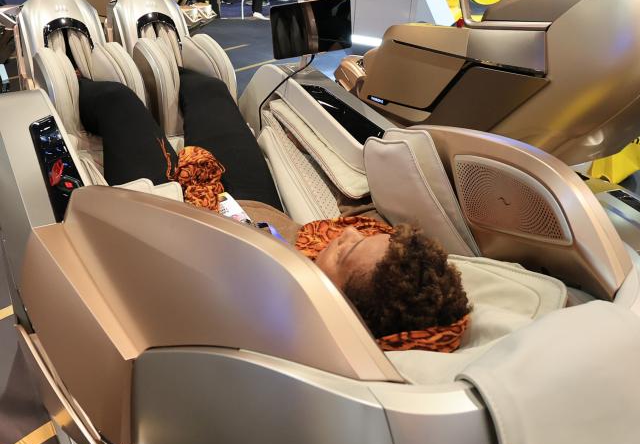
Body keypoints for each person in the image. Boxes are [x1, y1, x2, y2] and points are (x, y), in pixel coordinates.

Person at [76, 72, 471, 351]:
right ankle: (160, 65)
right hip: (260, 210)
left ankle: (78, 76)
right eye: (365, 235)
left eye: (345, 252)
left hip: (173, 216)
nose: (347, 234)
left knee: (117, 100)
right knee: (209, 88)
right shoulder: (356, 265)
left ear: (338, 301)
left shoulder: (271, 321)